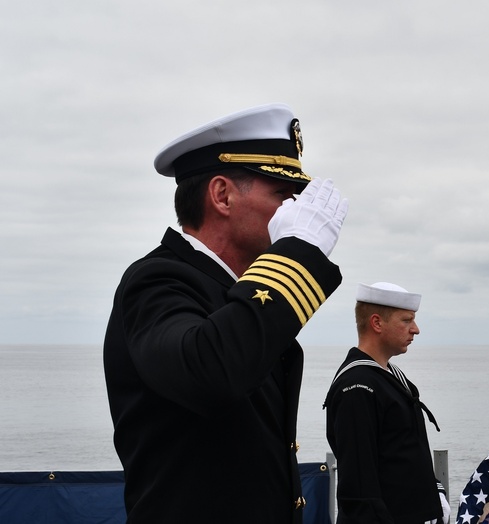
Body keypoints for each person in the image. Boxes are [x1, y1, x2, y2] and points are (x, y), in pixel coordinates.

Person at [103, 103, 349, 523]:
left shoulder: (235, 292)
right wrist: (299, 254)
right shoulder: (156, 280)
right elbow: (211, 370)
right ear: (222, 195)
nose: (293, 211)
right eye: (281, 194)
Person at [324, 282, 449, 524]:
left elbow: (404, 452)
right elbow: (359, 491)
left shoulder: (390, 376)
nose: (416, 329)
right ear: (377, 323)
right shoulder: (358, 387)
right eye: (406, 320)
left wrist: (434, 493)